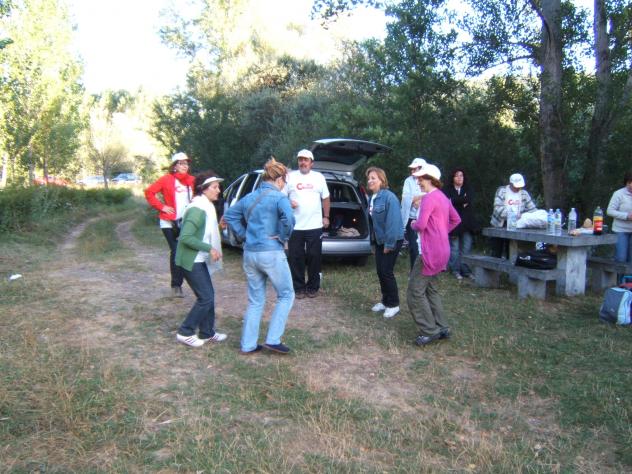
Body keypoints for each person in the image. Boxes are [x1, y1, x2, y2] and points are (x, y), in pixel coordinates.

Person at [224, 158, 296, 355]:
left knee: (256, 300)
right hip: (271, 253)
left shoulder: (249, 197)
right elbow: (289, 219)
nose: (284, 185)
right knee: (286, 294)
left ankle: (248, 345)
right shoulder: (280, 198)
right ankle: (273, 339)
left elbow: (230, 215)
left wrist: (243, 235)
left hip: (250, 254)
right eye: (285, 181)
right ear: (280, 179)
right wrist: (282, 236)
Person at [408, 164, 461, 346]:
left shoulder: (429, 198)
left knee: (415, 292)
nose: (418, 182)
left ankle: (429, 331)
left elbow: (421, 225)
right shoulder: (443, 197)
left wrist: (412, 224)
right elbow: (456, 219)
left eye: (421, 178)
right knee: (431, 289)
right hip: (443, 250)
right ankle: (442, 327)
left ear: (431, 179)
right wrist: (441, 232)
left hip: (429, 252)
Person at [174, 172, 228, 347]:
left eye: (218, 187)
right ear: (203, 189)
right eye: (214, 187)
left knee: (208, 296)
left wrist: (219, 227)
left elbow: (202, 232)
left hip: (198, 259)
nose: (218, 190)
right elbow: (185, 237)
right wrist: (209, 248)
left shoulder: (206, 206)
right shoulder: (197, 209)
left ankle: (207, 333)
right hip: (191, 260)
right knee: (205, 297)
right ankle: (185, 332)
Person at [144, 152, 195, 298]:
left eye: (186, 163)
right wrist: (162, 207)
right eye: (181, 163)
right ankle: (176, 286)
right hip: (169, 222)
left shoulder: (192, 180)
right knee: (177, 250)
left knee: (184, 251)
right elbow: (149, 192)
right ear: (174, 166)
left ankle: (189, 282)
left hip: (186, 222)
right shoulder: (166, 179)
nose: (185, 166)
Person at [286, 149, 330, 299]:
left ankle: (313, 287)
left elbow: (326, 198)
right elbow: (281, 197)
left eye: (306, 160)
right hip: (295, 226)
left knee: (314, 257)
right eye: (300, 160)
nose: (303, 162)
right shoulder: (290, 177)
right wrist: (288, 203)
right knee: (295, 257)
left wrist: (326, 216)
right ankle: (298, 288)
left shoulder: (319, 177)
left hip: (315, 225)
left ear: (312, 163)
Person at [367, 167, 405, 318]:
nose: (370, 181)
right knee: (380, 271)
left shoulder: (390, 197)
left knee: (386, 272)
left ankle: (394, 304)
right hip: (380, 240)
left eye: (373, 178)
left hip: (392, 239)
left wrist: (389, 245)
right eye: (369, 178)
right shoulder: (372, 198)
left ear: (381, 180)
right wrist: (373, 242)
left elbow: (393, 223)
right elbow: (373, 223)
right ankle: (385, 301)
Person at [489, 173, 536, 258]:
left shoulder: (524, 194)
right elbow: (497, 208)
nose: (518, 188)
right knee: (496, 251)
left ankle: (509, 264)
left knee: (511, 250)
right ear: (510, 183)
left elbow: (532, 209)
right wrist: (512, 215)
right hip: (500, 225)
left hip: (516, 225)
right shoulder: (502, 191)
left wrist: (524, 215)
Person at [443, 168, 477, 280]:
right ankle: (455, 270)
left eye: (461, 175)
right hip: (453, 224)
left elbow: (469, 199)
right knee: (454, 248)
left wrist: (455, 201)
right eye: (457, 175)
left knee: (466, 247)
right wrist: (462, 201)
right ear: (452, 178)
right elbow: (447, 202)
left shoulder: (468, 188)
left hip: (467, 223)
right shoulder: (447, 189)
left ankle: (466, 270)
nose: (459, 178)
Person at [401, 158, 426, 269]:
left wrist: (418, 199)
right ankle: (414, 271)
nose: (412, 171)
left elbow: (431, 195)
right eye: (411, 169)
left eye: (414, 169)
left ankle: (426, 269)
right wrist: (419, 197)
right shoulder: (408, 181)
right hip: (411, 218)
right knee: (414, 246)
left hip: (425, 218)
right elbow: (405, 198)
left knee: (425, 245)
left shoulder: (428, 179)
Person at [606, 170, 632, 265]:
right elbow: (609, 211)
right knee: (621, 259)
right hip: (621, 230)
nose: (631, 185)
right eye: (629, 182)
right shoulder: (618, 194)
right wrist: (626, 216)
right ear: (626, 182)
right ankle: (619, 276)